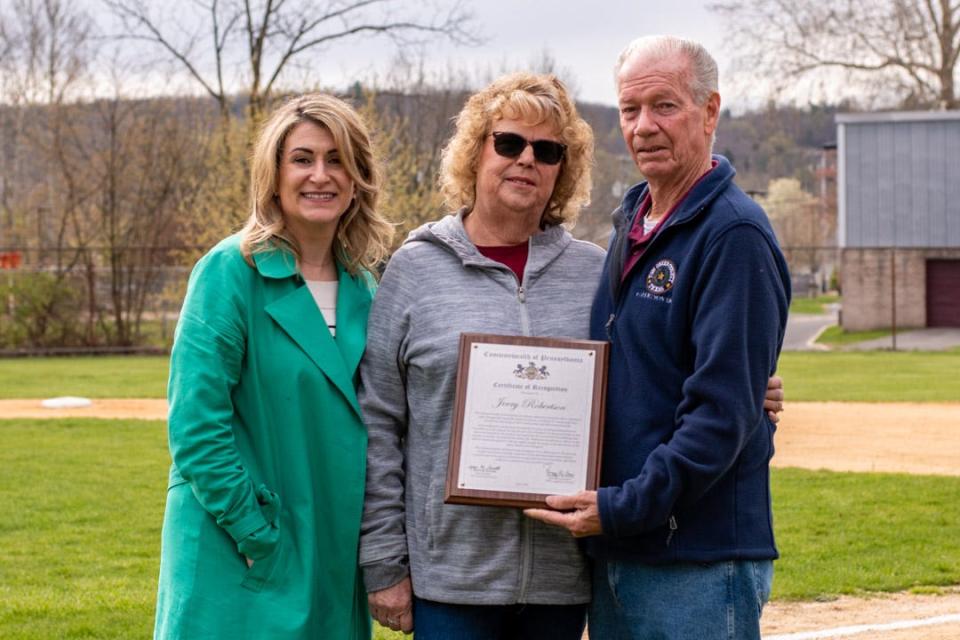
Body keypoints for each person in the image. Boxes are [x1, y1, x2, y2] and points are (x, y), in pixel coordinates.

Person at [357, 72, 785, 639]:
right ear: (475, 152)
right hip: (450, 580)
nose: (526, 160)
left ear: (564, 168)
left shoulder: (594, 269)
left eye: (548, 150)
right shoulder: (415, 269)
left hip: (564, 580)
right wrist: (385, 563)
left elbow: (655, 370)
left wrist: (750, 388)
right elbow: (380, 422)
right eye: (508, 142)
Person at [525, 36, 791, 639]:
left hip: (696, 562)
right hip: (624, 549)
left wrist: (621, 508)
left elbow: (719, 417)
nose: (643, 126)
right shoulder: (635, 225)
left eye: (664, 106)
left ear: (710, 111)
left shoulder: (734, 237)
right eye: (629, 109)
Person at [154, 93, 393, 639]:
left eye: (337, 160)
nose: (320, 175)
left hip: (330, 548)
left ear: (357, 178)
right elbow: (196, 428)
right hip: (237, 549)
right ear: (274, 174)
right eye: (302, 158)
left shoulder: (366, 288)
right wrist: (256, 531)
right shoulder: (228, 273)